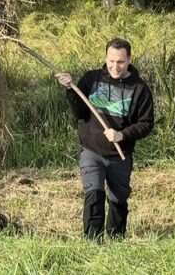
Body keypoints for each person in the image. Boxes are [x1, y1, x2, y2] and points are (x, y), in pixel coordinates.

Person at [55, 38, 154, 240]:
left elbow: (146, 123)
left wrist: (122, 135)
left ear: (129, 60)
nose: (115, 67)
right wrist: (70, 89)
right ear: (106, 58)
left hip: (120, 154)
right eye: (111, 61)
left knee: (118, 199)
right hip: (91, 150)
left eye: (120, 62)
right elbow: (80, 112)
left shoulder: (140, 89)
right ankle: (93, 241)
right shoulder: (91, 79)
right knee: (94, 193)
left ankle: (116, 239)